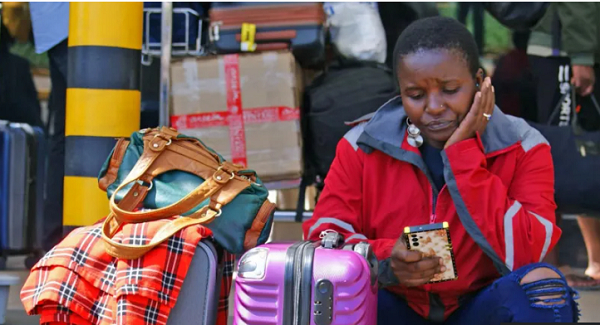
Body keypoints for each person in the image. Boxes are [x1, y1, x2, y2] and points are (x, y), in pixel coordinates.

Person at [303, 17, 579, 324]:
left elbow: (529, 253)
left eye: (449, 89)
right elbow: (324, 241)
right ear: (400, 92)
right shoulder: (362, 145)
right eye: (416, 95)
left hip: (478, 306)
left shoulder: (523, 146)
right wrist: (385, 262)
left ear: (480, 81)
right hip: (393, 305)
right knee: (327, 290)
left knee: (544, 289)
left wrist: (464, 160)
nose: (433, 107)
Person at [527, 2, 600, 290]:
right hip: (565, 51)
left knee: (584, 155)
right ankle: (553, 265)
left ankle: (593, 260)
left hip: (580, 48)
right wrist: (580, 55)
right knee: (558, 157)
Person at [28, 2, 69, 252]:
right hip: (79, 25)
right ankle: (57, 239)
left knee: (66, 135)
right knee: (74, 135)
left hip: (60, 26)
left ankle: (53, 239)